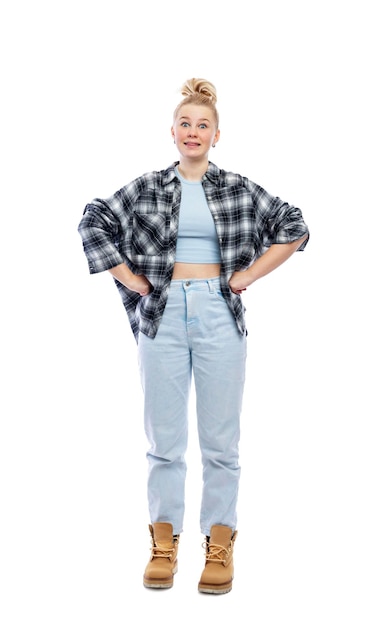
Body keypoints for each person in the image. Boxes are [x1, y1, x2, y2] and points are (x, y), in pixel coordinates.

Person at [78, 78, 309, 594]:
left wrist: (248, 276)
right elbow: (94, 220)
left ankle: (220, 543)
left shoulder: (237, 188)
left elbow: (293, 225)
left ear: (217, 135)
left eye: (203, 125)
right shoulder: (147, 186)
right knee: (164, 441)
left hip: (218, 313)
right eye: (185, 123)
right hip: (160, 312)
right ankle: (164, 542)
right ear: (173, 131)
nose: (193, 132)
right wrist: (133, 280)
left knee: (221, 443)